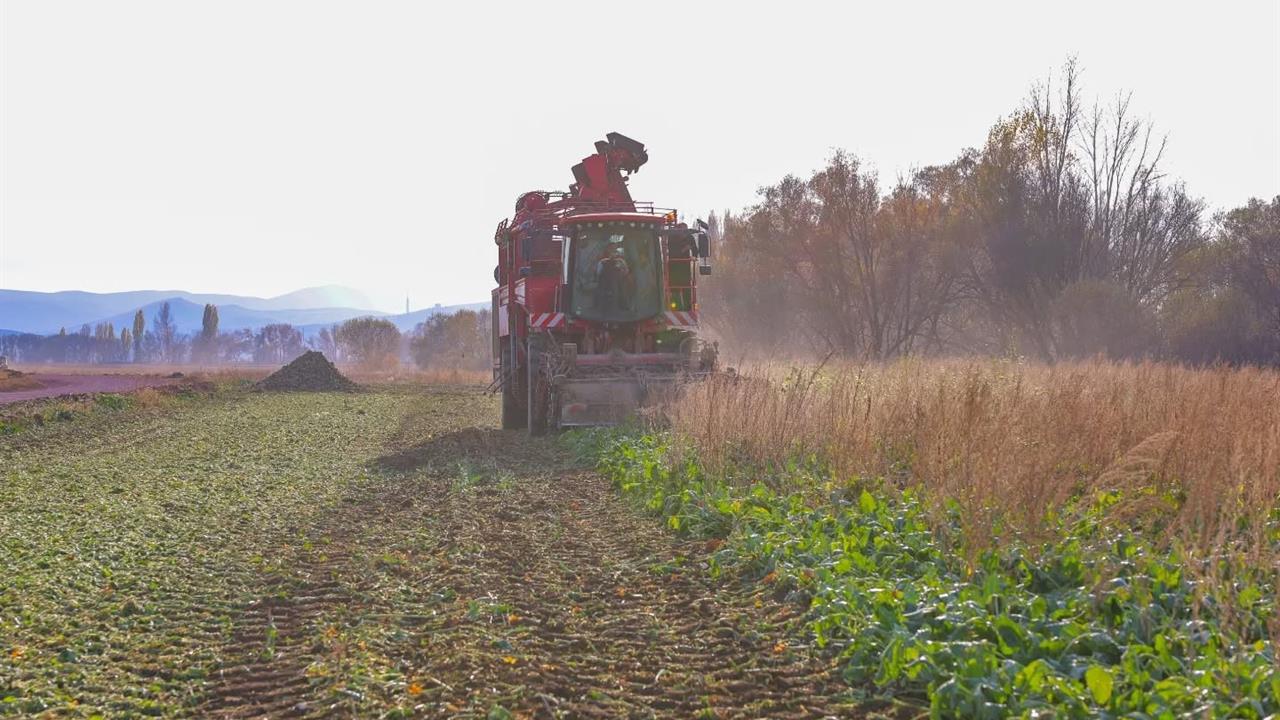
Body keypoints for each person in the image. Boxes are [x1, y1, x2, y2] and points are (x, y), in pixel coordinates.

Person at [596, 243, 632, 313]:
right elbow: (598, 273)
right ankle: (601, 307)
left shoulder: (621, 261)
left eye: (614, 251)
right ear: (607, 252)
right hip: (606, 284)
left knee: (621, 291)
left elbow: (626, 272)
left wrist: (621, 272)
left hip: (620, 283)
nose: (612, 253)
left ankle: (624, 305)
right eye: (611, 250)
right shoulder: (602, 262)